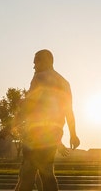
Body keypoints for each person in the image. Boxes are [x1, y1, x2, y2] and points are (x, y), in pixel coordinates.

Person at [15, 49, 80, 191]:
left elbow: (30, 105)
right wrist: (73, 134)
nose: (34, 66)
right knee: (47, 171)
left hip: (37, 131)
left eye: (35, 62)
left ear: (45, 60)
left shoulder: (39, 77)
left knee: (28, 172)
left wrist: (15, 119)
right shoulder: (64, 82)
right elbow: (69, 110)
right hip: (54, 131)